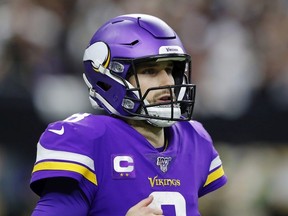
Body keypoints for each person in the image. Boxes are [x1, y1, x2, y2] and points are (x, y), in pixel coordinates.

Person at [30, 13, 227, 216]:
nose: (168, 82)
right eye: (150, 71)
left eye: (169, 70)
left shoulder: (194, 140)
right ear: (109, 77)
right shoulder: (88, 140)